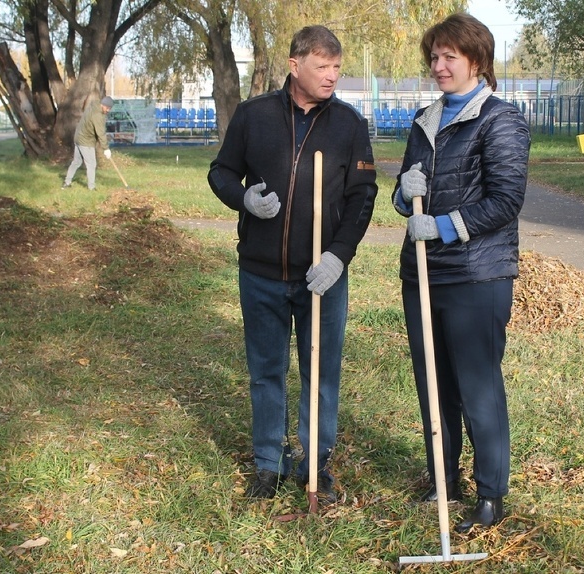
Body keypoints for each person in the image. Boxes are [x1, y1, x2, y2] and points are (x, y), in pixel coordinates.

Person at [207, 25, 377, 506]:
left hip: (320, 277)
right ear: (294, 64)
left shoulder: (347, 124)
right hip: (260, 273)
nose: (332, 76)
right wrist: (243, 199)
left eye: (337, 67)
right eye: (322, 66)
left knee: (321, 373)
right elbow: (220, 171)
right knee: (266, 370)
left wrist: (338, 256)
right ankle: (267, 462)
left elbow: (363, 197)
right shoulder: (253, 115)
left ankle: (315, 464)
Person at [392, 13, 530, 533]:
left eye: (450, 56)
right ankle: (442, 477)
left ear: (477, 61)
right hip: (423, 273)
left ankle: (491, 493)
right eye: (434, 56)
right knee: (433, 383)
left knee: (477, 386)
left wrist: (445, 227)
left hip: (477, 275)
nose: (439, 66)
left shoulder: (501, 119)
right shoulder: (424, 120)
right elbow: (406, 197)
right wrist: (404, 197)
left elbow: (506, 200)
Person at [63, 96, 113, 190]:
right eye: (107, 108)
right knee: (91, 164)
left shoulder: (94, 105)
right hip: (86, 141)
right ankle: (91, 187)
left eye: (109, 109)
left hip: (78, 137)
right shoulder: (98, 115)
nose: (108, 110)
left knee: (76, 162)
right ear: (103, 105)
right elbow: (100, 133)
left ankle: (67, 182)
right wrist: (106, 149)